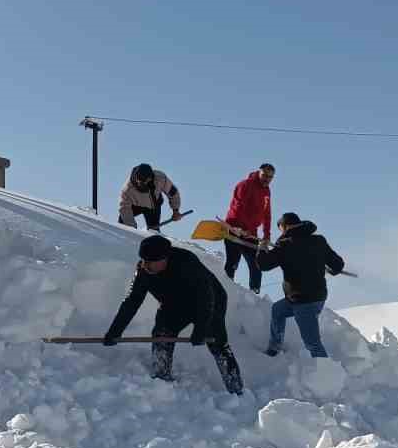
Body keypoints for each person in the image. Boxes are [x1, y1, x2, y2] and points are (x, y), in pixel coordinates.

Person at [102, 235, 243, 395]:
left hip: (210, 302)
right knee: (161, 334)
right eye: (144, 260)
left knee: (218, 342)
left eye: (151, 261)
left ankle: (236, 388)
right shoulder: (143, 271)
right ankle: (161, 377)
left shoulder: (187, 262)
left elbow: (206, 297)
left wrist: (201, 329)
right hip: (174, 305)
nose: (146, 265)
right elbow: (131, 302)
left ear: (165, 259)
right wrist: (115, 331)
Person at [255, 211, 346, 358]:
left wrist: (262, 248)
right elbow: (338, 264)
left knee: (312, 343)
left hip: (304, 301)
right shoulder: (318, 241)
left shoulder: (284, 245)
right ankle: (275, 347)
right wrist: (330, 269)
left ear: (285, 227)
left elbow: (263, 264)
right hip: (315, 296)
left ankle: (326, 375)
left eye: (281, 229)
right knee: (277, 310)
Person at [222, 163, 275, 291]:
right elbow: (238, 208)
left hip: (250, 233)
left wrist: (266, 236)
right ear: (259, 173)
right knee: (232, 263)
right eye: (264, 175)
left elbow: (267, 214)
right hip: (234, 229)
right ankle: (226, 290)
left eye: (270, 177)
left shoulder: (267, 191)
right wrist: (241, 228)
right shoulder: (245, 185)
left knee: (256, 264)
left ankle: (254, 293)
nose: (266, 179)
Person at [117, 163, 184, 231]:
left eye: (145, 181)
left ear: (150, 178)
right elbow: (124, 208)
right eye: (140, 182)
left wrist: (175, 210)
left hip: (153, 207)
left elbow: (173, 193)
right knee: (123, 222)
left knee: (154, 231)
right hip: (135, 205)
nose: (142, 184)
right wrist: (132, 229)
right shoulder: (127, 189)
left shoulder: (160, 178)